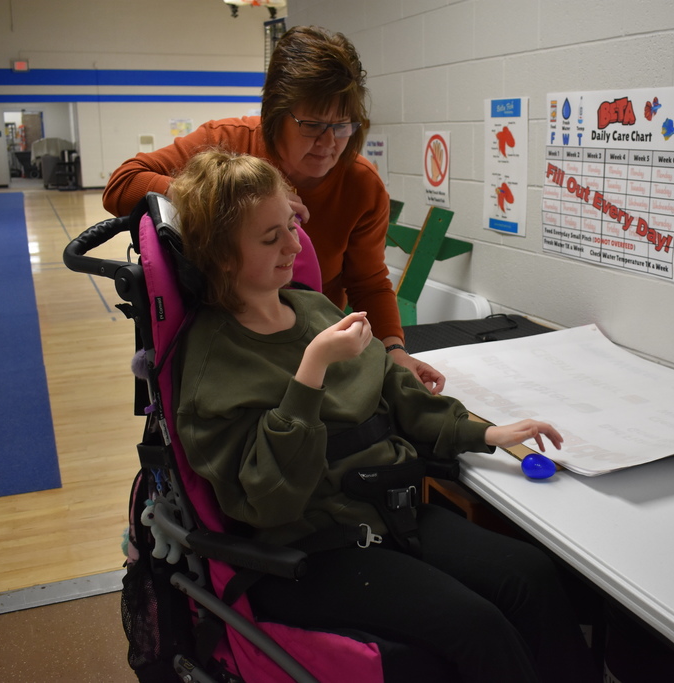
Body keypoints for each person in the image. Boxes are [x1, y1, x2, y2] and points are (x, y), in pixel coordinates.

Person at [170, 149, 598, 683]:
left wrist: (484, 432)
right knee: (478, 626)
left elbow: (394, 389)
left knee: (529, 574)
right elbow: (271, 500)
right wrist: (311, 370)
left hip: (391, 508)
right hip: (315, 545)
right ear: (222, 257)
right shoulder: (213, 366)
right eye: (270, 238)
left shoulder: (312, 307)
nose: (294, 246)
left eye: (292, 226)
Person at [103, 25, 445, 393]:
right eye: (312, 125)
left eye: (342, 125)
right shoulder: (226, 142)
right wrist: (228, 195)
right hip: (219, 348)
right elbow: (122, 184)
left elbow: (368, 282)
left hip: (307, 347)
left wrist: (394, 350)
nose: (329, 142)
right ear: (276, 113)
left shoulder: (361, 185)